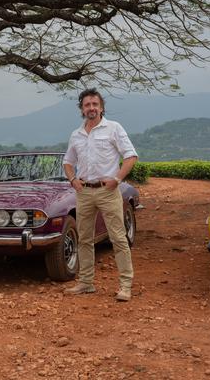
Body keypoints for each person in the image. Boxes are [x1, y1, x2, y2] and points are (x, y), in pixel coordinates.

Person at [62, 88, 138, 302]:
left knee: (118, 238)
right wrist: (72, 180)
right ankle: (86, 283)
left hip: (108, 191)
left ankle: (125, 285)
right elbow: (68, 161)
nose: (91, 108)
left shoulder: (113, 128)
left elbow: (131, 156)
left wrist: (118, 179)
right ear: (82, 109)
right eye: (87, 105)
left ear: (102, 107)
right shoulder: (76, 135)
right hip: (84, 192)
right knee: (85, 238)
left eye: (95, 104)